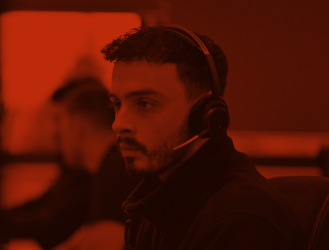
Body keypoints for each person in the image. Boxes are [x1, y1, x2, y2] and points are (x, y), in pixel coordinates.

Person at [101, 25, 306, 250]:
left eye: (145, 104)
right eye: (117, 105)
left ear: (205, 114)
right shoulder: (163, 203)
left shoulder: (243, 220)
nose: (118, 124)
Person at [0, 78, 139, 250]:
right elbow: (85, 238)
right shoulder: (106, 167)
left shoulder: (116, 168)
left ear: (77, 125)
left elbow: (101, 243)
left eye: (60, 122)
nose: (56, 134)